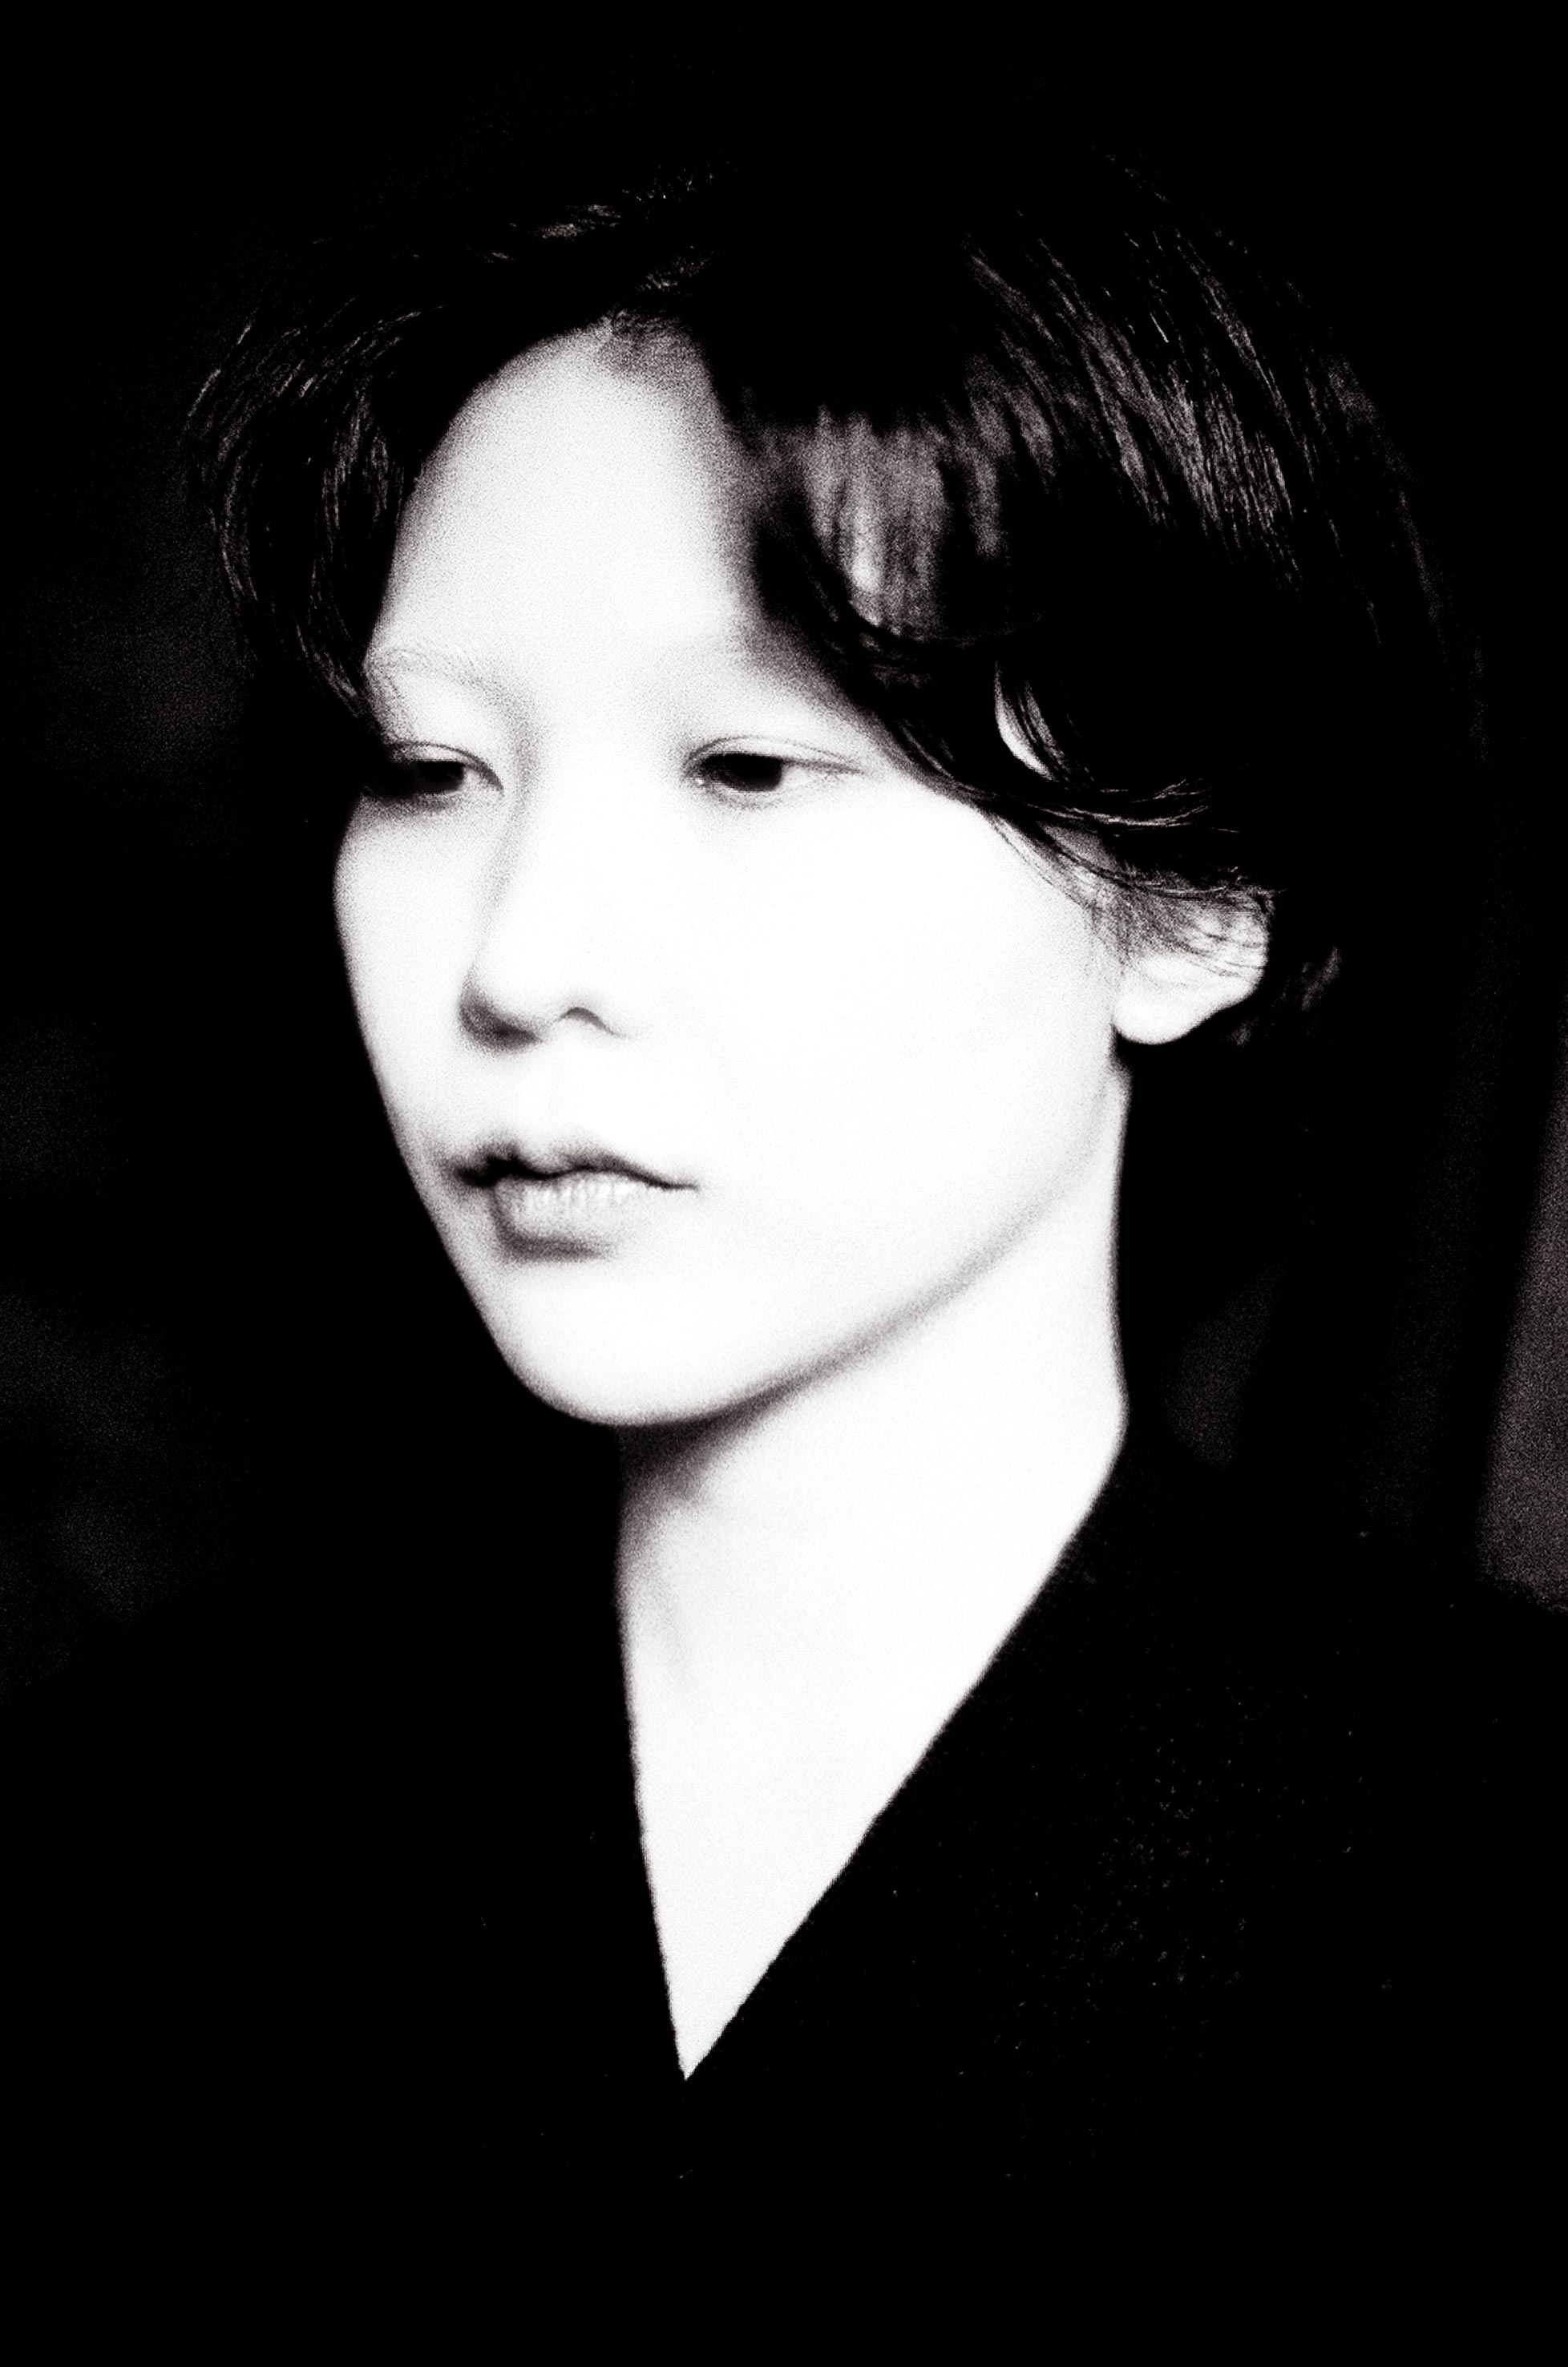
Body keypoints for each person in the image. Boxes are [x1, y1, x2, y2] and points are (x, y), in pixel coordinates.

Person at [7, 139, 1559, 2218]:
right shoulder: (140, 1811)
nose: (519, 958)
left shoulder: (1495, 1869)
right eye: (431, 769)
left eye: (745, 765)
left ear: (1190, 897)